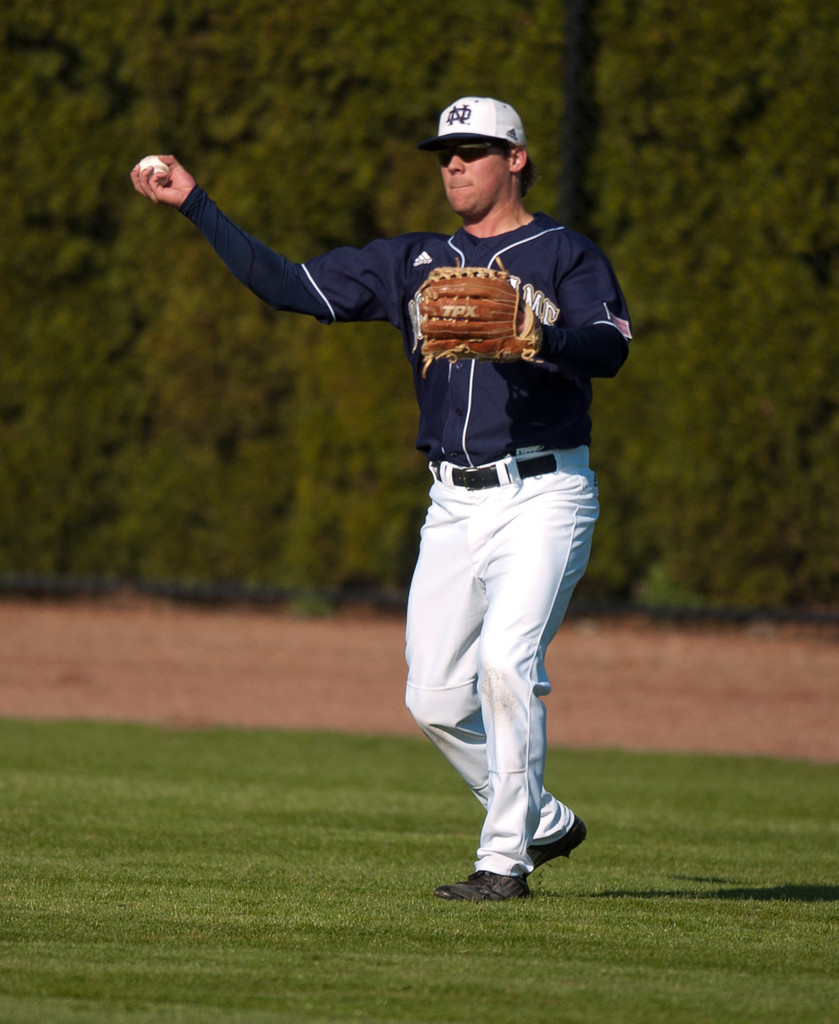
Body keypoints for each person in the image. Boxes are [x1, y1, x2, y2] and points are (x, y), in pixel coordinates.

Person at [131, 96, 631, 901]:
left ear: (517, 158)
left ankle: (503, 861)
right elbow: (288, 286)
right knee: (432, 697)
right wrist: (194, 203)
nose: (454, 164)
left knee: (506, 665)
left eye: (472, 149)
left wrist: (541, 339)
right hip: (452, 504)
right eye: (445, 152)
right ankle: (539, 819)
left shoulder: (563, 253)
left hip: (543, 493)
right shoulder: (412, 260)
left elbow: (608, 348)